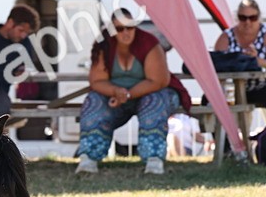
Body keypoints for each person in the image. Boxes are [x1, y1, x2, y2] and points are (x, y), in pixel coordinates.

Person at [75, 9, 188, 175]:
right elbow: (97, 81)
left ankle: (154, 160)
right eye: (120, 29)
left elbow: (158, 81)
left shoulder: (149, 43)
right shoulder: (103, 45)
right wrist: (115, 91)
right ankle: (88, 159)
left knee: (153, 103)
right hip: (116, 95)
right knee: (94, 102)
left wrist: (127, 95)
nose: (126, 32)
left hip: (152, 92)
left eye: (130, 27)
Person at [214, 0, 266, 128]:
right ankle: (223, 139)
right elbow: (217, 66)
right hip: (236, 88)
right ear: (237, 18)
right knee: (210, 98)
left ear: (259, 17)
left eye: (252, 18)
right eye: (243, 18)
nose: (247, 22)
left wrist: (256, 60)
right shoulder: (226, 37)